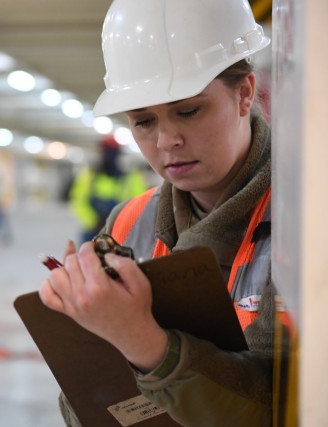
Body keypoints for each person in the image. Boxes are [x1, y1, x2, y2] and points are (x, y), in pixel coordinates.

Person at [38, 0, 275, 425]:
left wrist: (143, 341)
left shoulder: (308, 222)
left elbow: (279, 409)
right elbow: (94, 409)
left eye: (189, 111)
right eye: (143, 121)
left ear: (244, 94)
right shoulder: (129, 223)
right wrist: (85, 337)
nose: (167, 141)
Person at [68, 134, 146, 243]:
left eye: (112, 152)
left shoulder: (132, 178)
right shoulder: (88, 176)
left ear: (118, 154)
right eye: (106, 151)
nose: (109, 156)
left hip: (120, 231)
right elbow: (78, 201)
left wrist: (121, 223)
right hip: (92, 231)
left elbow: (139, 205)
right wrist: (94, 221)